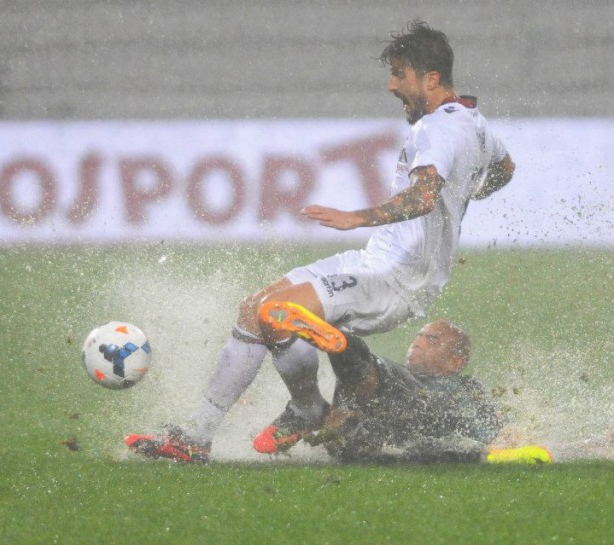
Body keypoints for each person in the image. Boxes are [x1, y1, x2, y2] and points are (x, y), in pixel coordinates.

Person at [125, 19, 515, 463]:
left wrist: (358, 217)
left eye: (400, 74)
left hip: (396, 278)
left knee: (278, 315)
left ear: (431, 79)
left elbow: (424, 194)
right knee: (255, 311)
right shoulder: (473, 121)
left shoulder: (437, 129)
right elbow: (505, 170)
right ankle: (194, 437)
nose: (391, 85)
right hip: (377, 261)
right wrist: (463, 194)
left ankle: (308, 410)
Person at [254, 303, 551, 464]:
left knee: (375, 379)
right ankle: (334, 350)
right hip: (380, 424)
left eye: (430, 340)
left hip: (412, 413)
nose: (418, 343)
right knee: (366, 374)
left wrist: (509, 444)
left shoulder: (465, 387)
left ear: (455, 362)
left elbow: (495, 428)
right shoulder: (402, 372)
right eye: (418, 336)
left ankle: (315, 405)